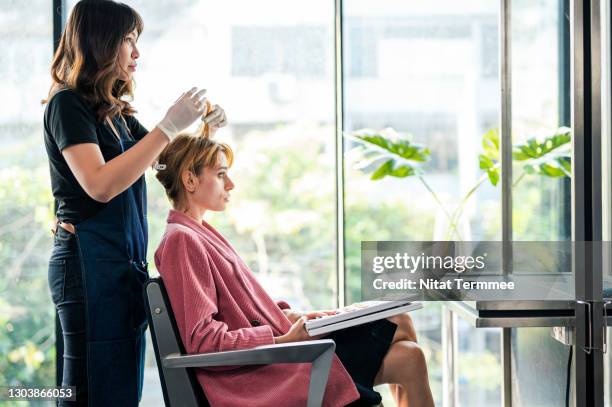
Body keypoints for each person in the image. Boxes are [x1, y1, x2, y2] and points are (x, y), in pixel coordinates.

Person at [153, 134, 435, 407]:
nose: (231, 184)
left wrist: (290, 316)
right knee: (409, 355)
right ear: (189, 179)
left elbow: (240, 310)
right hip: (267, 370)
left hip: (281, 347)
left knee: (402, 324)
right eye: (221, 174)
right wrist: (282, 339)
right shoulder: (182, 240)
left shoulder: (198, 233)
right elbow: (203, 341)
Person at [42, 1, 226, 405]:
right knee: (90, 389)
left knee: (121, 390)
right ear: (102, 44)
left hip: (121, 267)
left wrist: (202, 127)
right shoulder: (67, 105)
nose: (136, 53)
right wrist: (166, 126)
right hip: (86, 264)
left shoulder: (116, 114)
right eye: (129, 41)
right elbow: (100, 185)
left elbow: (167, 159)